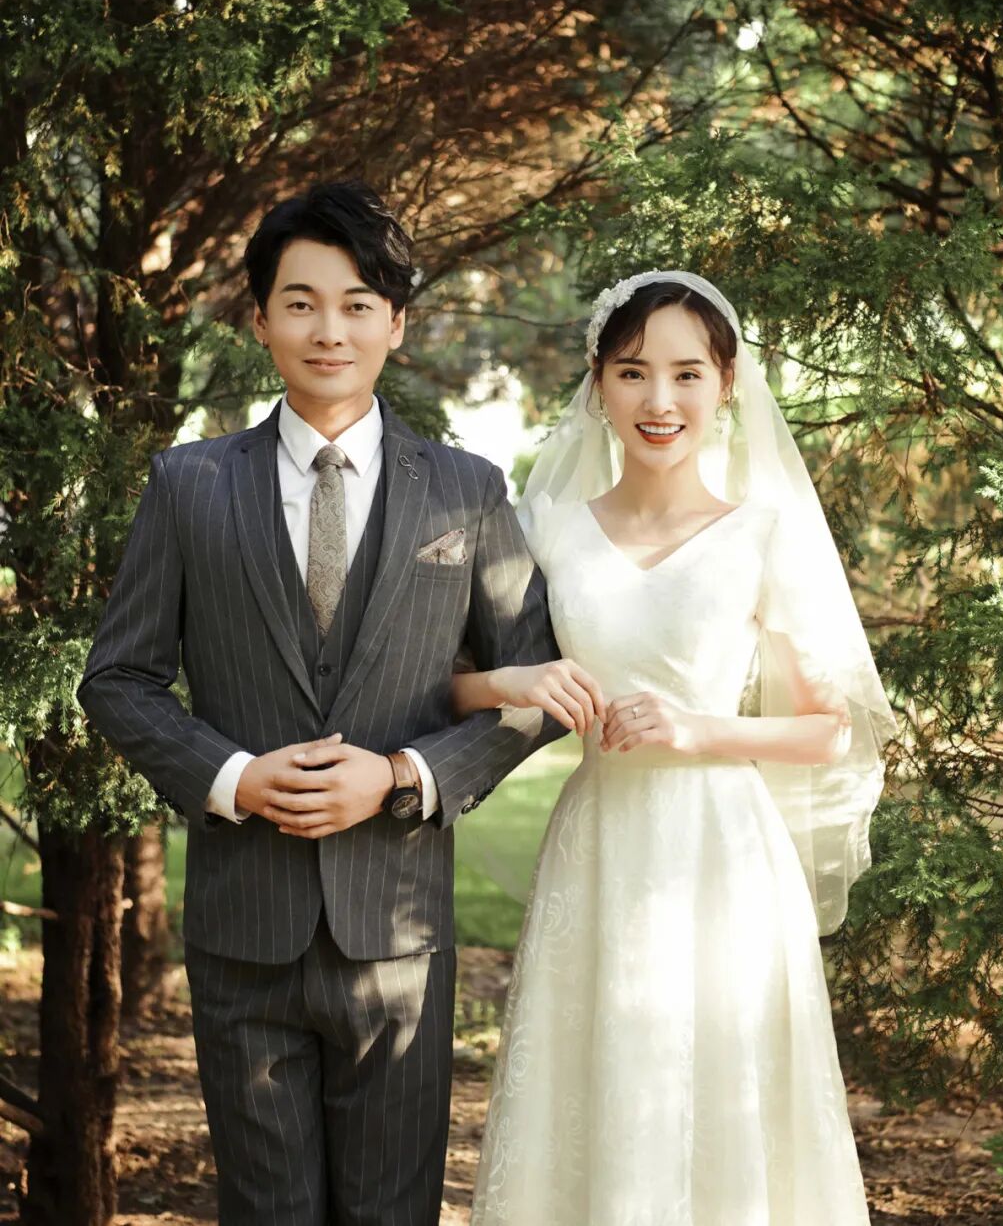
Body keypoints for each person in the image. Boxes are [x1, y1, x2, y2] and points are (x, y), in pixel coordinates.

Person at [77, 179, 568, 1226]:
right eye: (300, 302)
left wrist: (402, 773)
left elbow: (538, 690)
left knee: (393, 1211)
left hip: (399, 936)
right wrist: (233, 776)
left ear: (397, 321)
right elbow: (118, 678)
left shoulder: (468, 489)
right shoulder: (189, 484)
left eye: (357, 303)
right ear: (260, 320)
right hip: (243, 929)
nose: (329, 328)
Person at [456, 270, 897, 1226]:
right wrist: (512, 681)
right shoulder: (548, 530)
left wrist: (697, 727)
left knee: (723, 1097)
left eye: (687, 373)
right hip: (599, 844)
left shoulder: (762, 533)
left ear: (726, 383)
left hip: (723, 854)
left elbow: (828, 728)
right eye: (633, 372)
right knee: (597, 1087)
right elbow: (453, 682)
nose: (660, 399)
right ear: (599, 386)